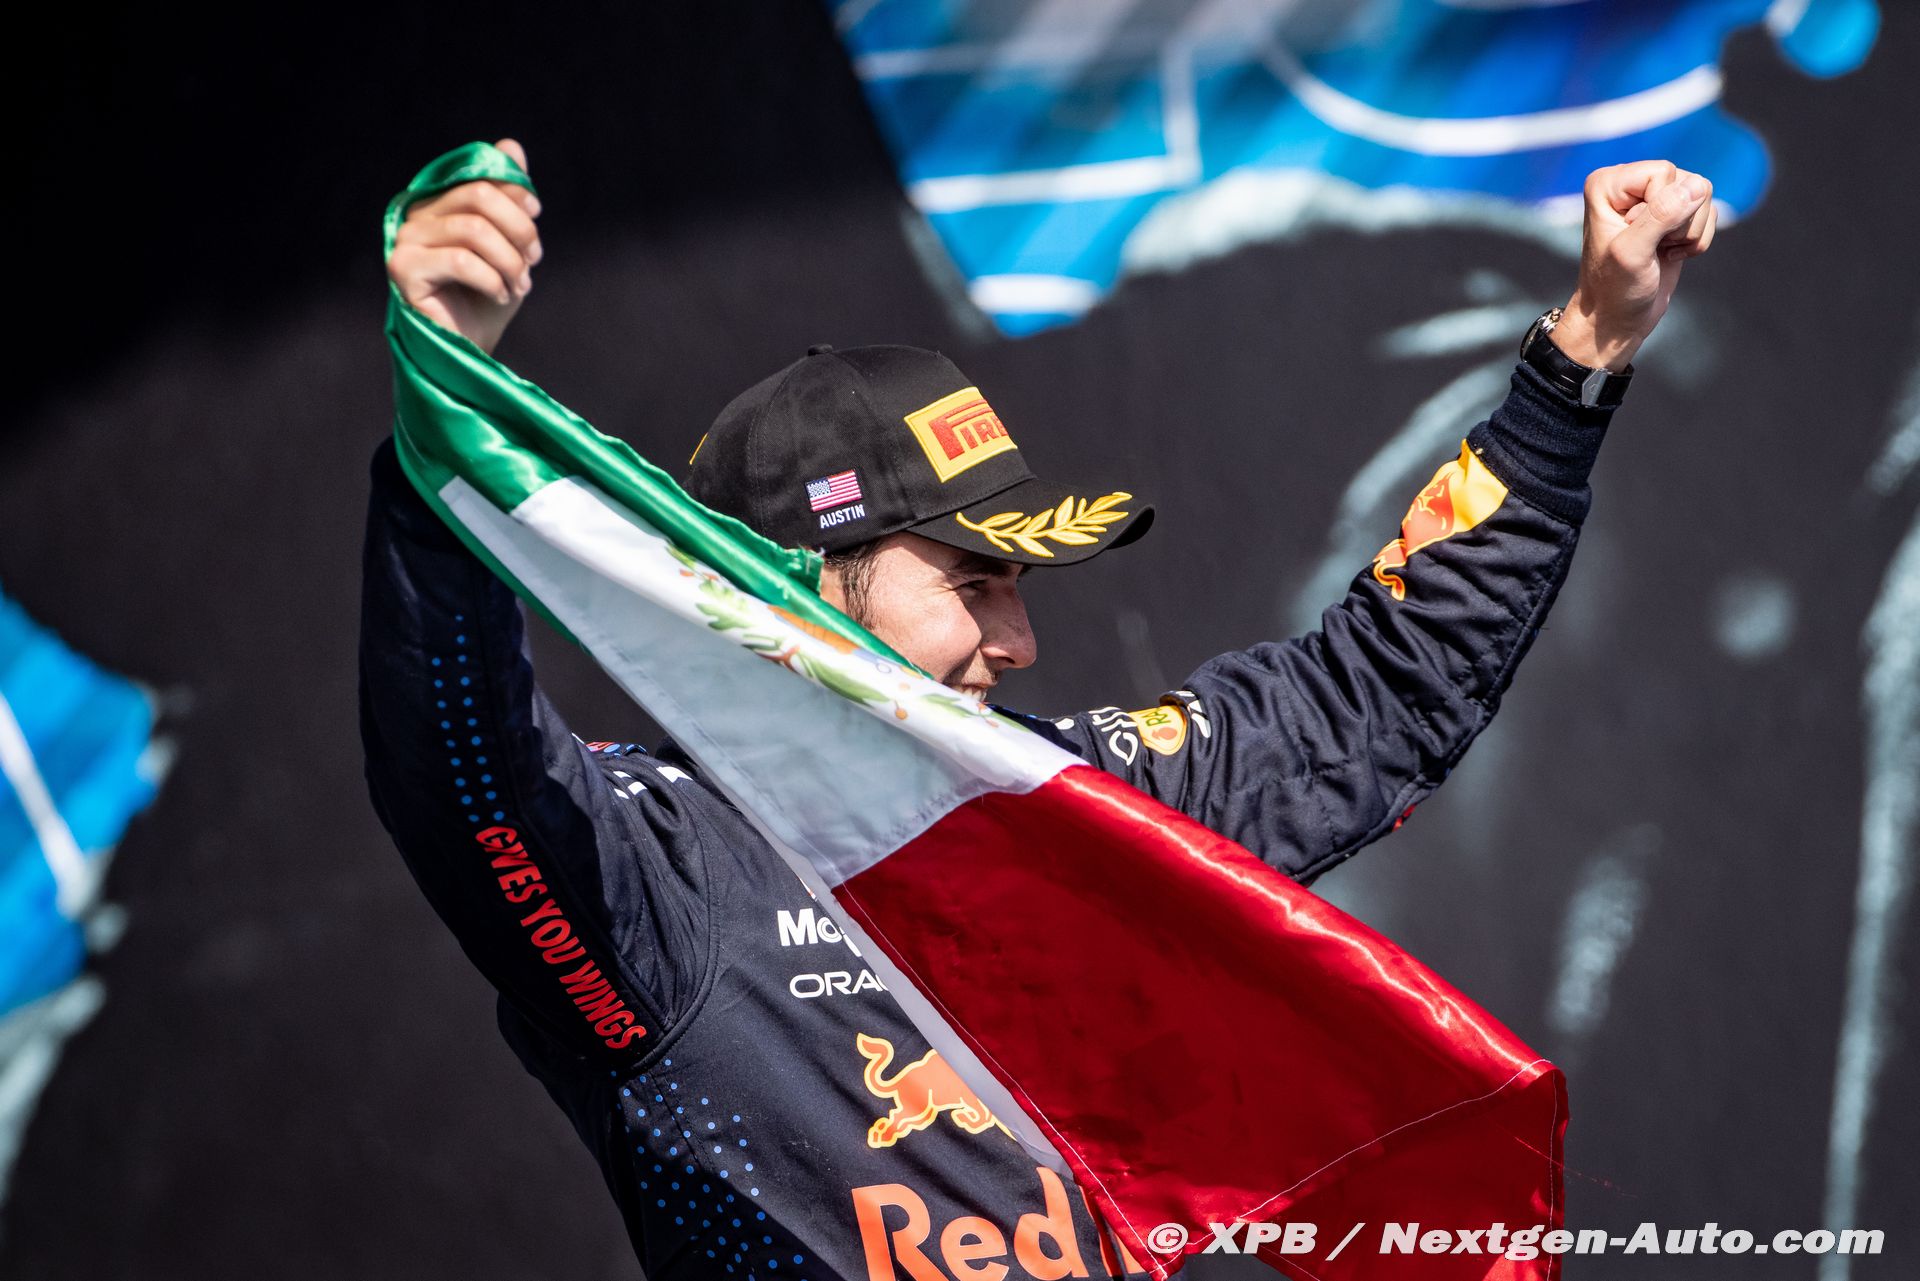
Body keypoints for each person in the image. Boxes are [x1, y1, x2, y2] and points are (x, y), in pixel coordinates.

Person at [362, 138, 1714, 1280]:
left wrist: (1583, 356)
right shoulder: (652, 875)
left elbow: (1375, 695)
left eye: (1020, 586)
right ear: (802, 588)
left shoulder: (1064, 807)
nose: (1018, 642)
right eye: (973, 584)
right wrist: (440, 423)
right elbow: (460, 759)